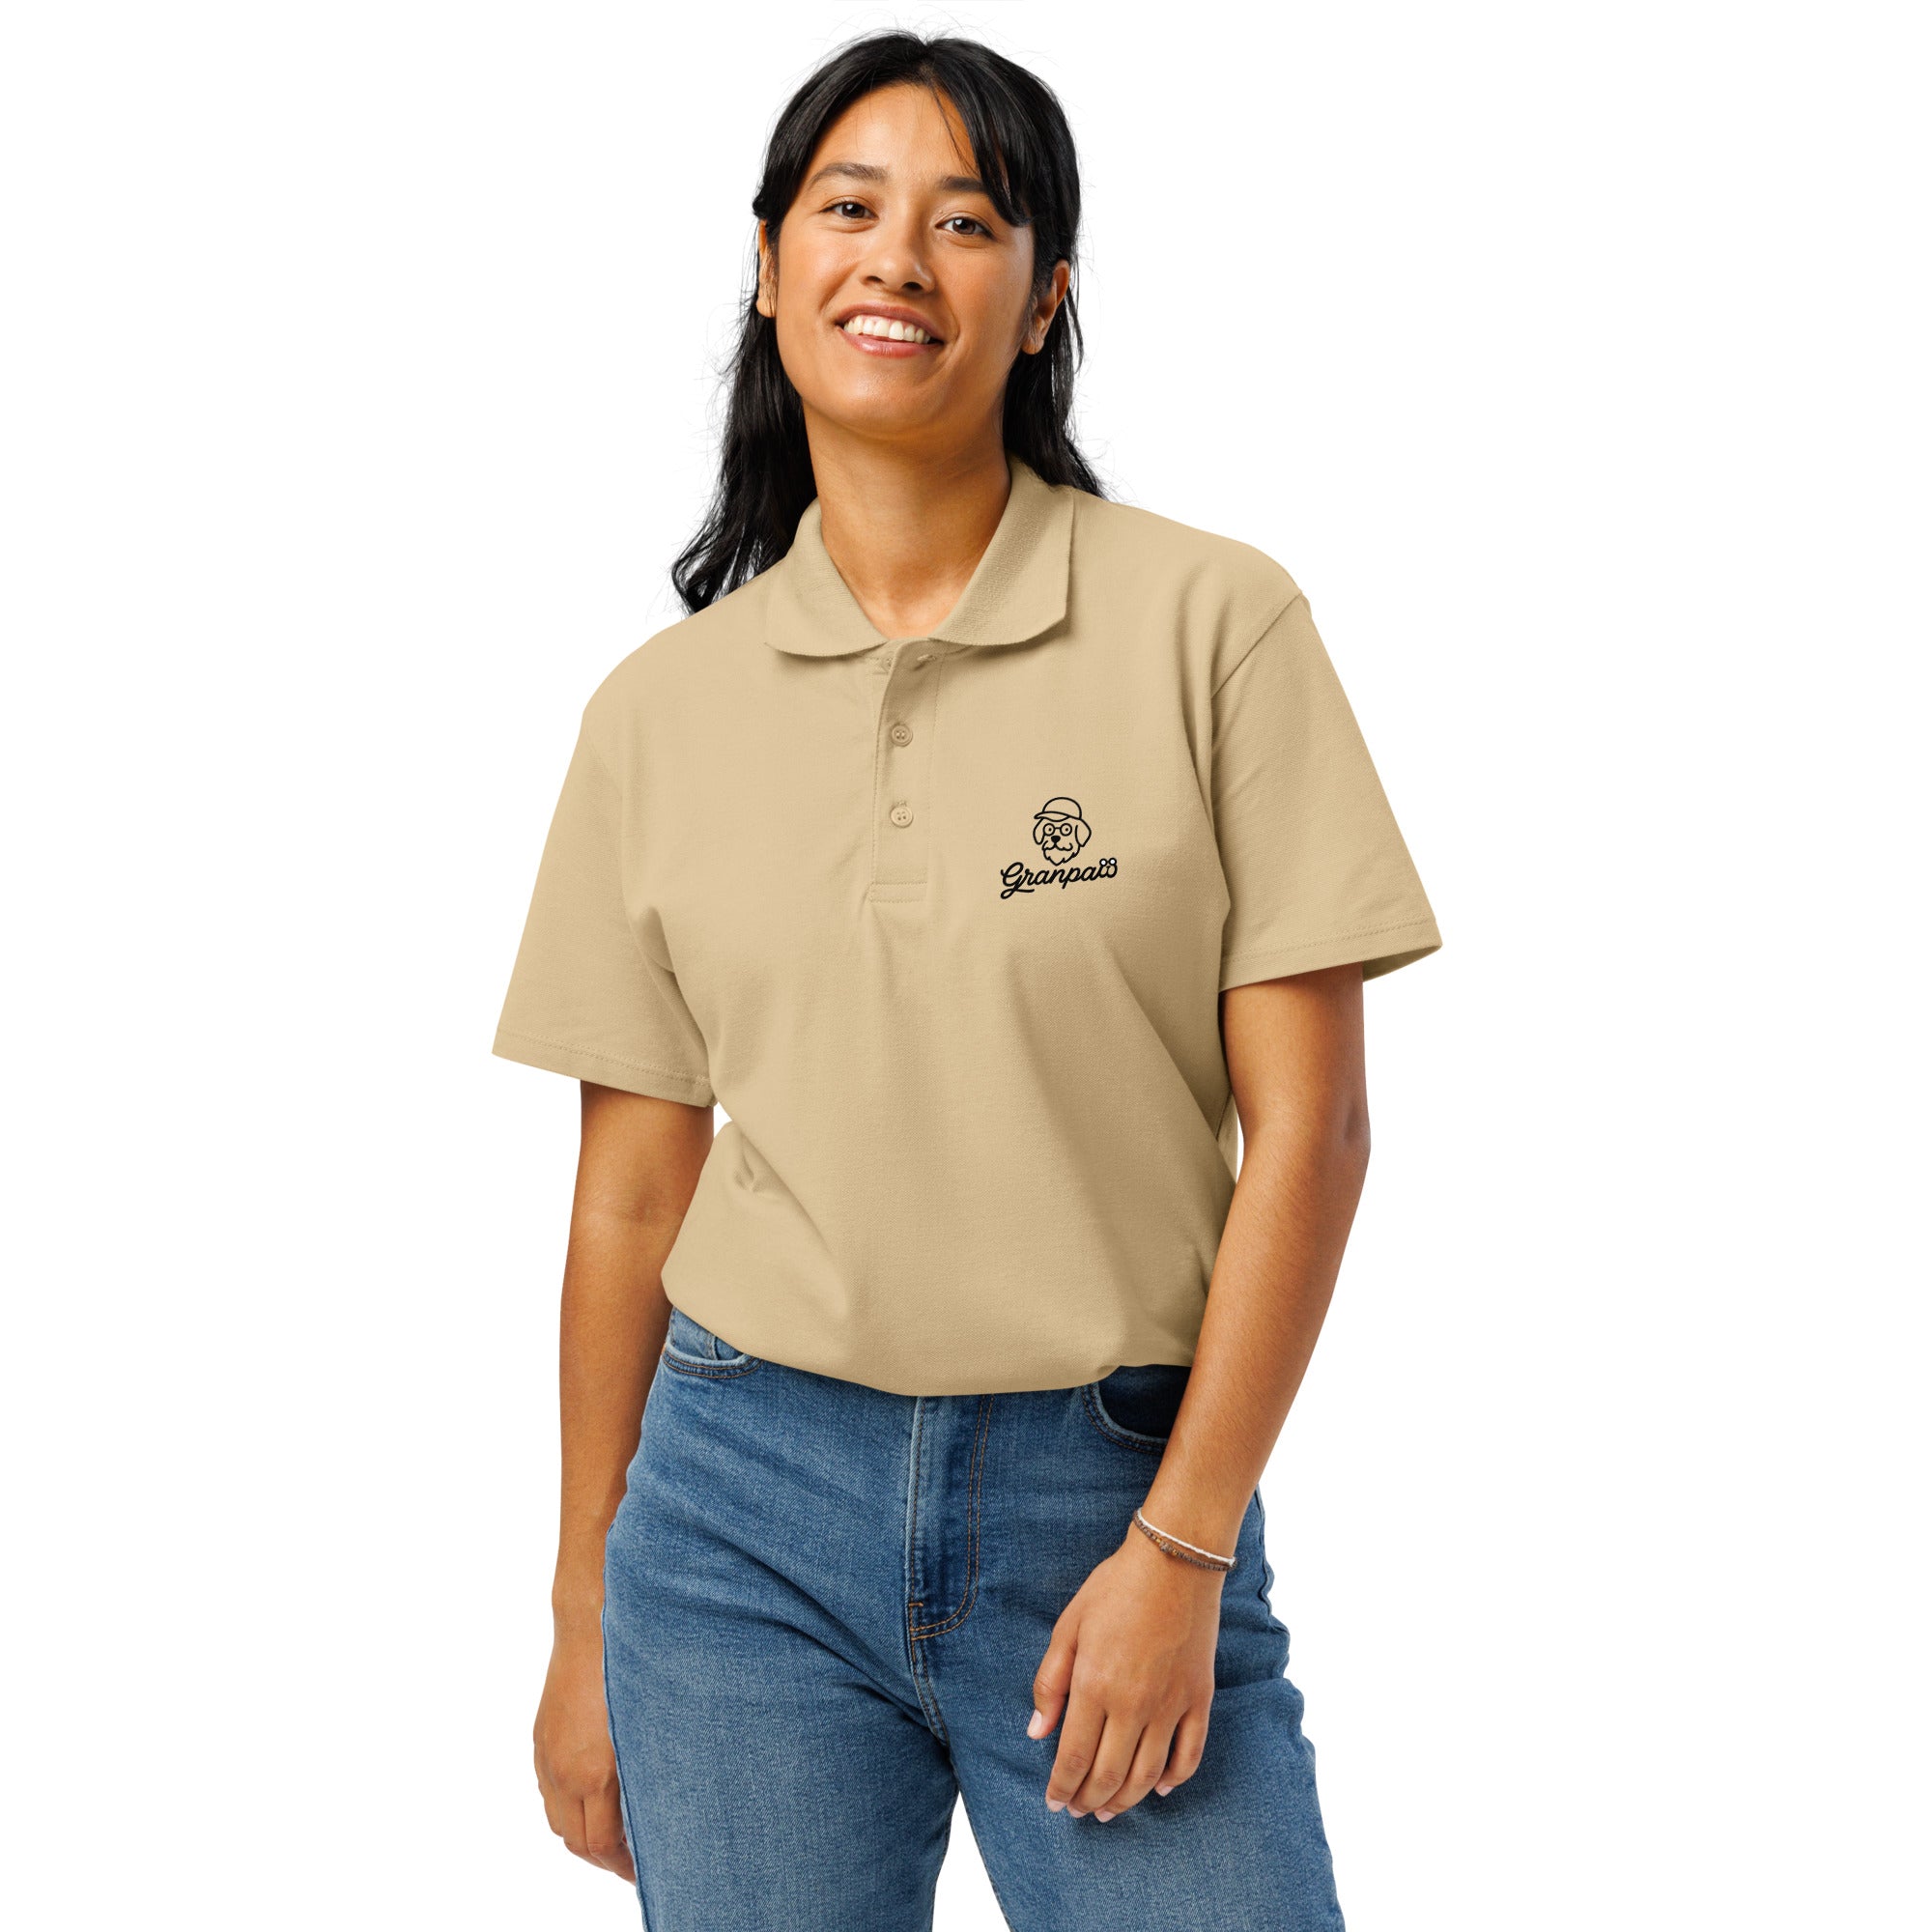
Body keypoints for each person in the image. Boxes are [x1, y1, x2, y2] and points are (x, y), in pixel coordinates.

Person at [493, 30, 1440, 1932]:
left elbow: (1313, 1130)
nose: (896, 259)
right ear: (769, 270)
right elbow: (626, 1192)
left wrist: (1180, 1546)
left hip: (1109, 1490)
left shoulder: (1210, 624)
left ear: (1044, 300)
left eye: (966, 219)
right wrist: (584, 1608)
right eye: (847, 209)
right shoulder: (655, 715)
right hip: (734, 1514)